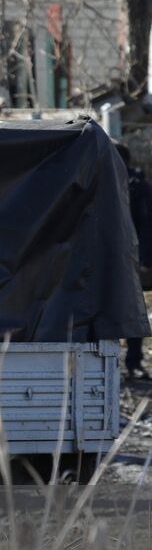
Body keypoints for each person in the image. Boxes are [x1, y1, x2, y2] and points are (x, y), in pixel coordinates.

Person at [119, 144, 152, 380]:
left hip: (129, 257)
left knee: (131, 311)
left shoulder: (137, 186)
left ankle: (133, 362)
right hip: (122, 257)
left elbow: (147, 223)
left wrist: (144, 259)